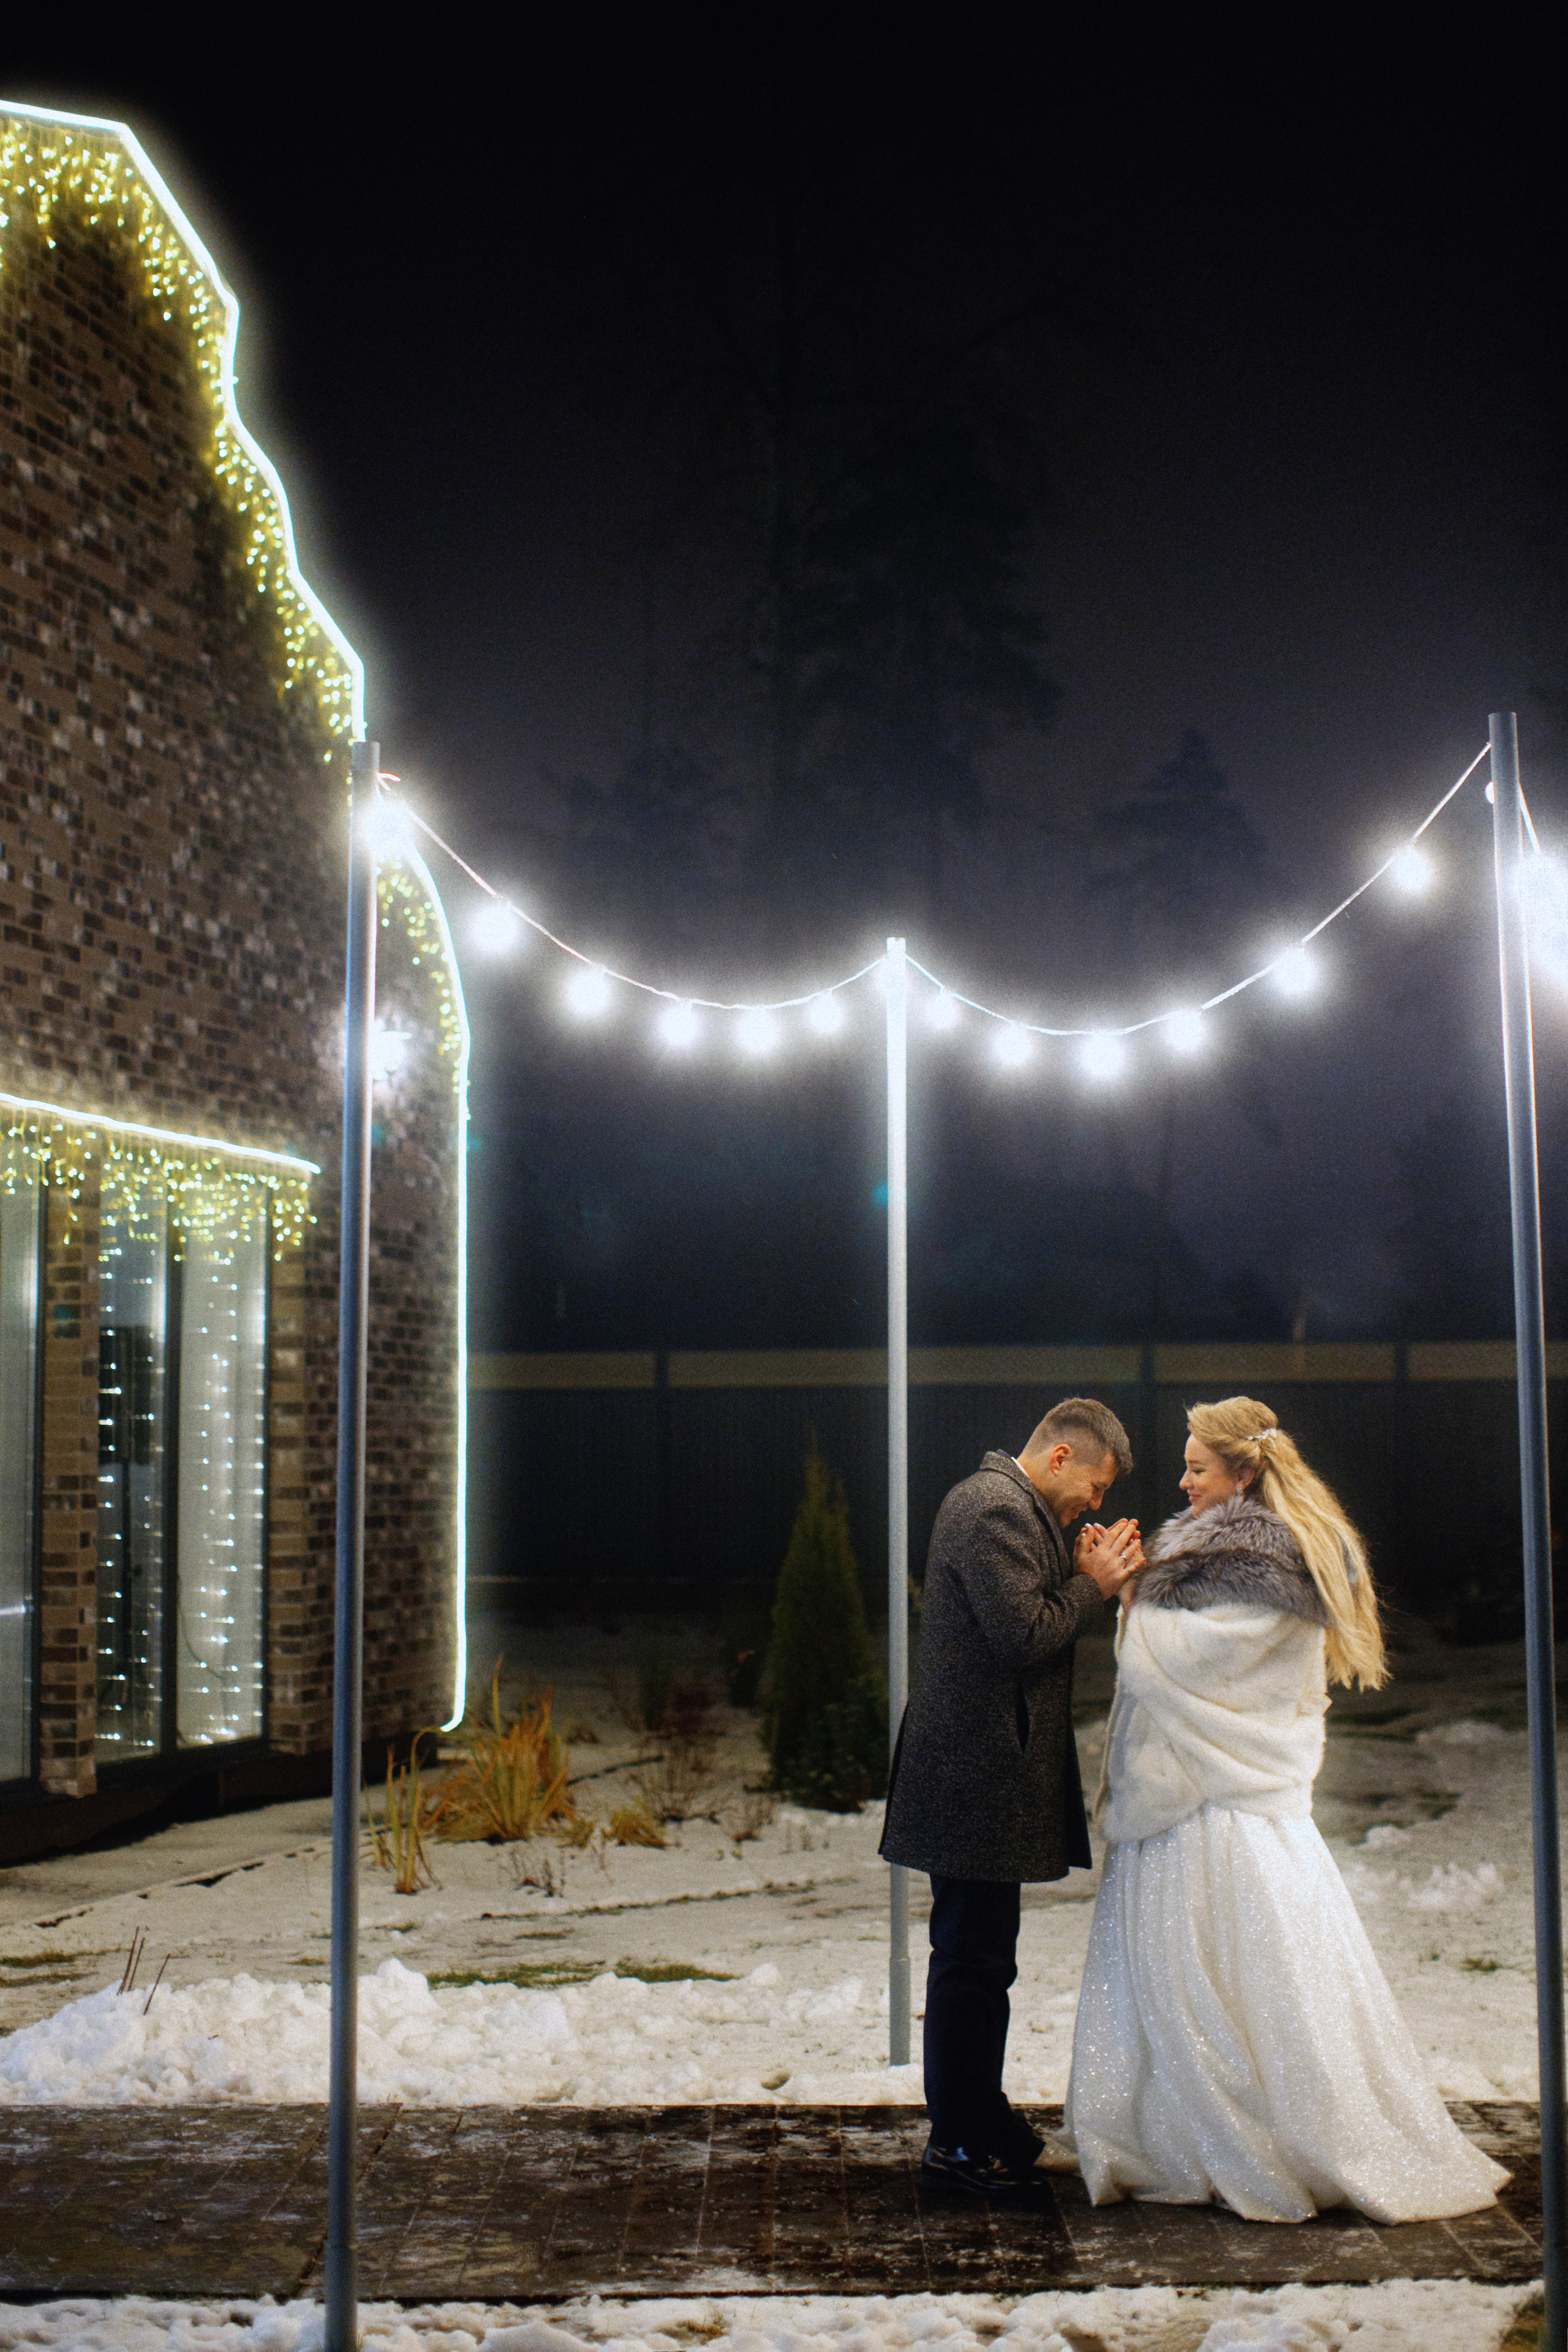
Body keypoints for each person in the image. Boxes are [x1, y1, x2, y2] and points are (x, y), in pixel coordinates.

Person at [1065, 1394, 1508, 2223]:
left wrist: (1128, 1599)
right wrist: (1134, 1589)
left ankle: (1261, 2135)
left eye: (1198, 1467)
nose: (1184, 1479)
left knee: (1233, 1981)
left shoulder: (1268, 1565)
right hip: (1188, 1805)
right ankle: (1178, 2134)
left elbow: (1194, 1669)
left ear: (1244, 1472)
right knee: (1197, 1986)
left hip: (1216, 1808)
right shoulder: (1218, 1552)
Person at [880, 1397, 1144, 2193]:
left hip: (982, 1780)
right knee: (970, 1962)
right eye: (1093, 1488)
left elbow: (1025, 1605)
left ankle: (981, 2115)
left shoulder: (1013, 1511)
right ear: (1059, 1458)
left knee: (986, 1961)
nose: (1094, 1504)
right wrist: (1091, 1585)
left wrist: (1080, 1570)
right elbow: (1022, 1633)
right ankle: (957, 2142)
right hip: (972, 1782)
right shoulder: (993, 1508)